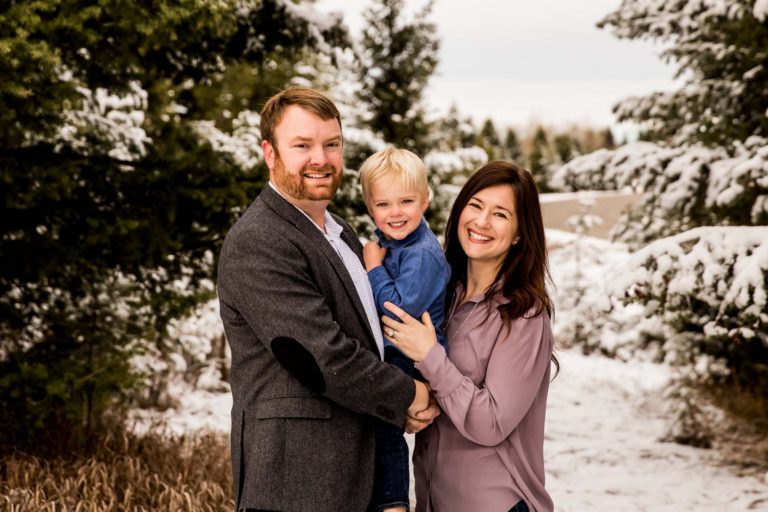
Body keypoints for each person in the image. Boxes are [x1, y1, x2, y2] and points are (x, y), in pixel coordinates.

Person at [217, 86, 438, 512]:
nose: (320, 158)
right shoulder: (259, 239)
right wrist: (412, 394)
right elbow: (320, 357)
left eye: (331, 144)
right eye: (302, 145)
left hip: (358, 471)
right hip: (297, 482)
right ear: (270, 153)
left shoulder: (340, 232)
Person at [381, 161, 557, 512]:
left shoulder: (523, 314)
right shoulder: (442, 294)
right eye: (475, 206)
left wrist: (430, 355)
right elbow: (439, 394)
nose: (481, 222)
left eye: (501, 214)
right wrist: (418, 407)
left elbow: (490, 423)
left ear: (521, 233)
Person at [358, 147, 451, 512]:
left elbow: (398, 310)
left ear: (425, 200)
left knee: (386, 423)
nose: (395, 213)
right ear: (370, 207)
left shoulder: (422, 254)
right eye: (383, 205)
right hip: (392, 349)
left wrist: (373, 268)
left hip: (411, 354)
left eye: (406, 201)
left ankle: (393, 503)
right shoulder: (394, 243)